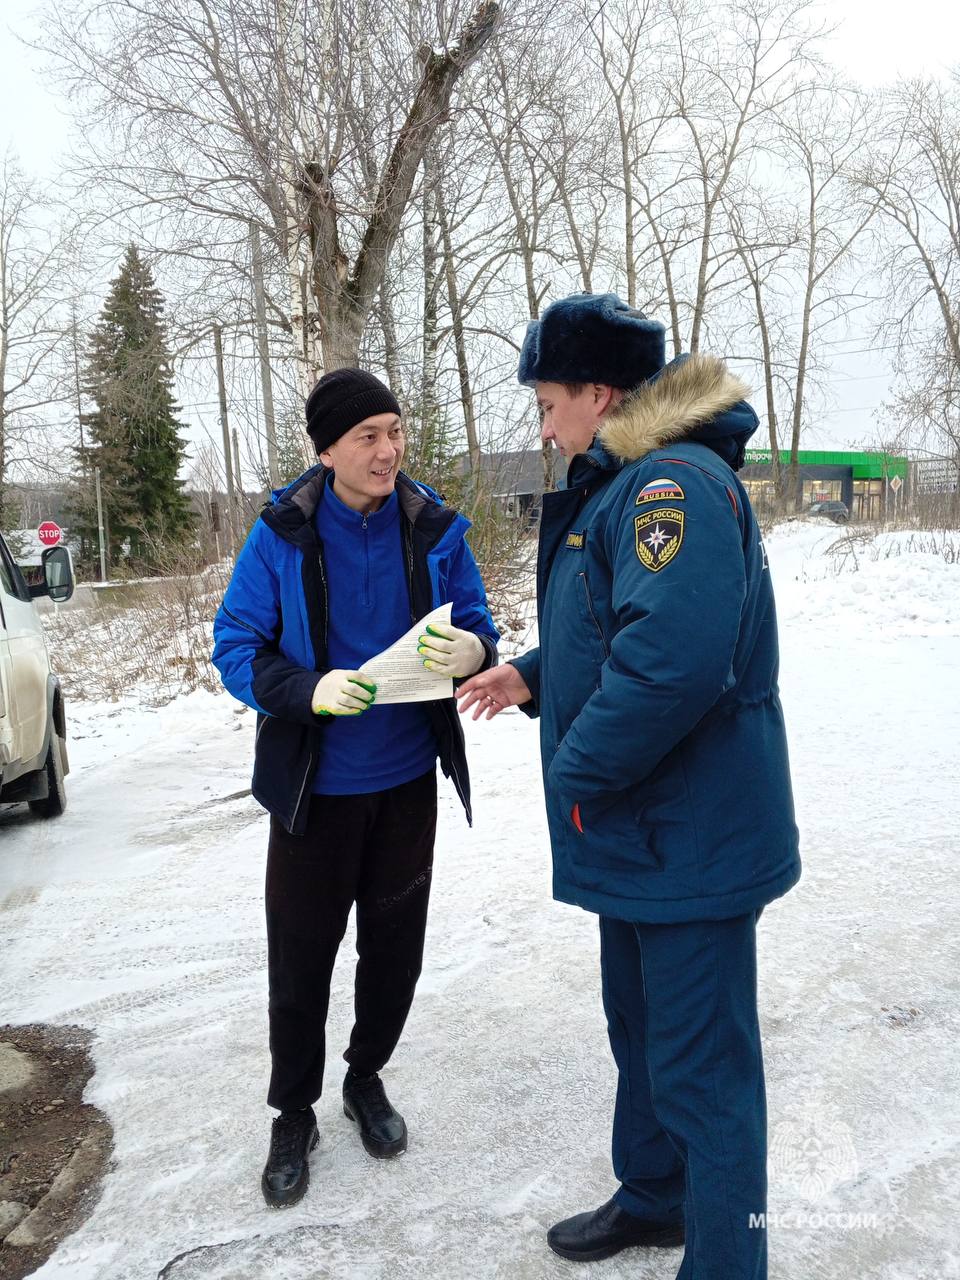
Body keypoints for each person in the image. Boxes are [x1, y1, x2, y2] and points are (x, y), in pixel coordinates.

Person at [457, 293, 799, 1279]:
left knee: (704, 1071)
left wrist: (576, 771)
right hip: (642, 833)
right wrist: (531, 672)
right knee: (644, 1034)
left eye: (551, 400)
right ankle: (657, 1197)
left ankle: (730, 1263)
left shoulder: (672, 487)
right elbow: (612, 628)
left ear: (601, 393)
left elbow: (674, 661)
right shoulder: (620, 482)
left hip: (687, 834)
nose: (545, 421)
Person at [212, 368, 499, 1209]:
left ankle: (365, 1078)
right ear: (328, 447)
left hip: (407, 783)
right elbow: (236, 644)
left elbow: (478, 622)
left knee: (395, 953)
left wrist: (475, 655)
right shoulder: (282, 534)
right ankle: (292, 1110)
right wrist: (307, 690)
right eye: (367, 436)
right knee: (302, 960)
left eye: (395, 431)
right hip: (316, 792)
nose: (387, 450)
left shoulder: (435, 528)